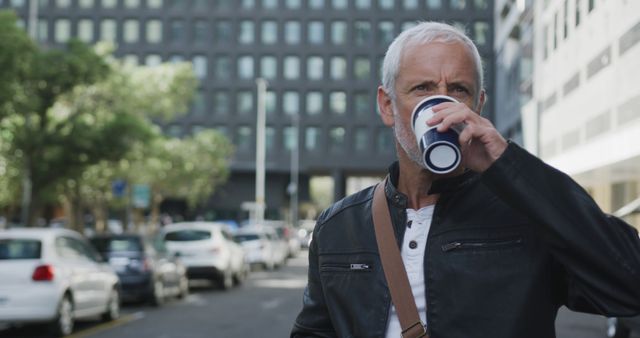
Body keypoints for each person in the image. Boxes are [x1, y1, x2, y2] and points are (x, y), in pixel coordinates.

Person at [290, 21, 640, 338]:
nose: (441, 106)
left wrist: (508, 163)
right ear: (387, 105)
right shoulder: (340, 225)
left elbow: (630, 284)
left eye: (458, 90)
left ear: (478, 105)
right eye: (422, 88)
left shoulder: (525, 215)